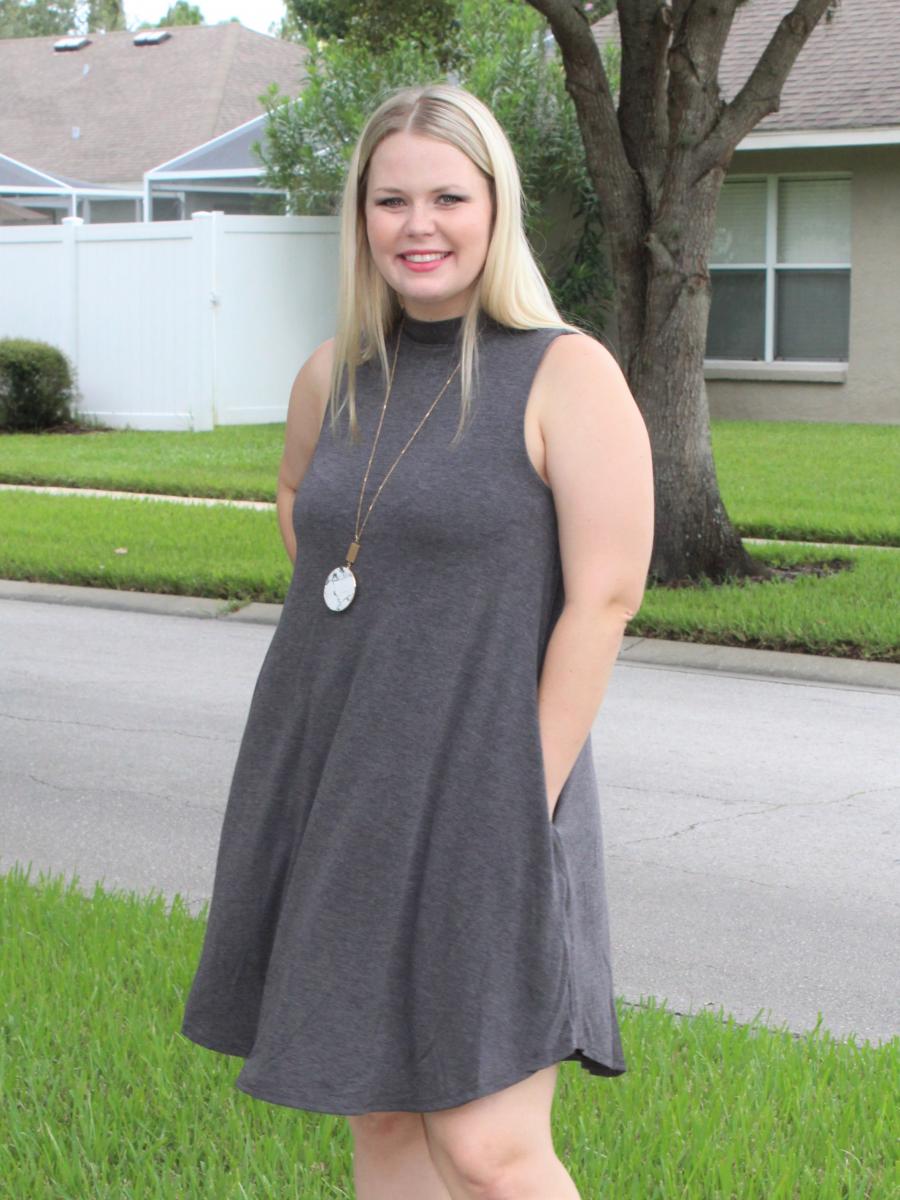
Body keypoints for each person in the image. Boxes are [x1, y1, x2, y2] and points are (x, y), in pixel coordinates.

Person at [180, 82, 654, 1199]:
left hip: (489, 785)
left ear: (497, 208)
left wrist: (516, 789)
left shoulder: (565, 374)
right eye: (390, 200)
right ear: (361, 219)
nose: (418, 224)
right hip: (339, 781)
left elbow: (607, 597)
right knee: (384, 1119)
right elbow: (306, 506)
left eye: (448, 195)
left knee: (488, 1150)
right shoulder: (332, 373)